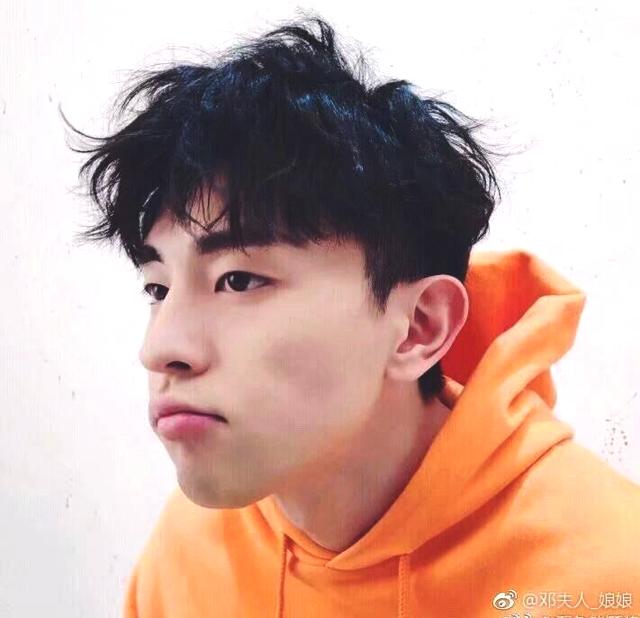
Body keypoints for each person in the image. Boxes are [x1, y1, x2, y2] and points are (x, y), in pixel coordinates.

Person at [65, 14, 640, 618]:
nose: (160, 348)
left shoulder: (606, 577)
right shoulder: (189, 548)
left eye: (238, 280)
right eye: (158, 289)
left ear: (419, 327)